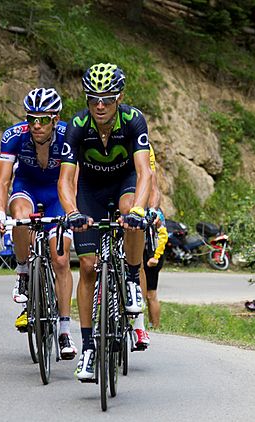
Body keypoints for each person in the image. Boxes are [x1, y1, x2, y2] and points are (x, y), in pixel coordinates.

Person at [58, 62, 152, 380]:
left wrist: (140, 209)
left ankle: (131, 275)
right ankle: (87, 349)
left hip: (123, 182)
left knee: (131, 212)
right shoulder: (78, 126)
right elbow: (66, 180)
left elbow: (144, 172)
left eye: (107, 99)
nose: (100, 105)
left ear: (119, 97)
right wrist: (72, 212)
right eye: (93, 98)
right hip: (90, 191)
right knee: (86, 267)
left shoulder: (133, 120)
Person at [0, 87, 77, 360]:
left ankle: (64, 330)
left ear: (56, 118)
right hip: (27, 188)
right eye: (31, 118)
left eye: (43, 119)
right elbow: (3, 181)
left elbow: (73, 180)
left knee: (61, 260)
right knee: (19, 215)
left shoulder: (69, 136)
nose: (36, 125)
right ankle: (23, 271)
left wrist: (73, 211)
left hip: (57, 193)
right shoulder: (15, 136)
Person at [140, 144, 168, 329]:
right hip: (148, 251)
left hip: (153, 253)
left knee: (151, 293)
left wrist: (155, 257)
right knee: (148, 293)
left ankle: (154, 326)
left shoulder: (156, 215)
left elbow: (163, 236)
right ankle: (149, 324)